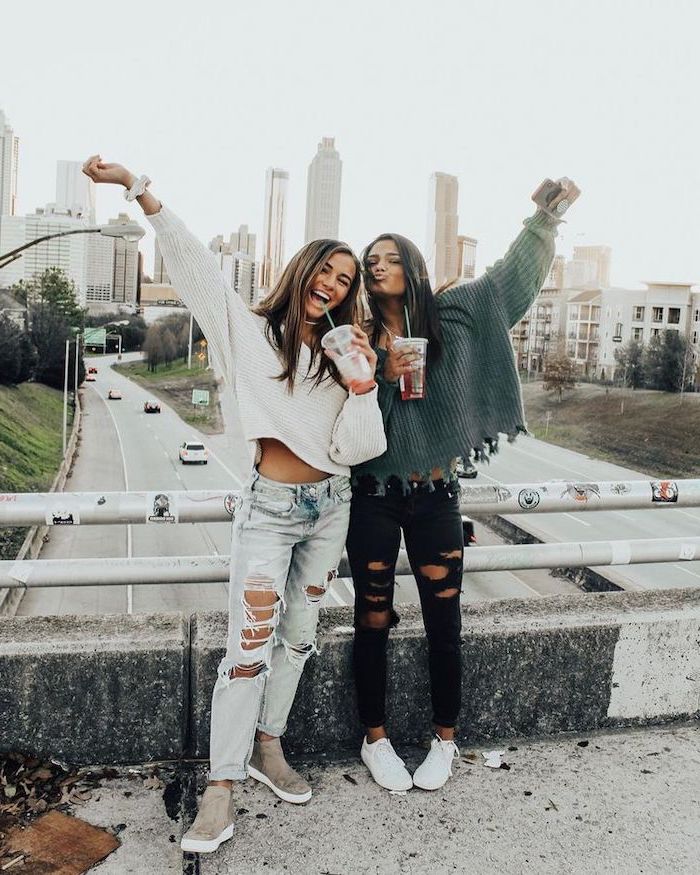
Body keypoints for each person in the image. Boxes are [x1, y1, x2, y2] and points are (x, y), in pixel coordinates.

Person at [83, 156, 387, 853]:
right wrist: (138, 189)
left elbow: (359, 449)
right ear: (302, 271)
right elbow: (192, 264)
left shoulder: (347, 354)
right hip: (272, 508)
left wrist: (364, 385)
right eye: (326, 271)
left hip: (330, 506)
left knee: (300, 636)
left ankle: (267, 746)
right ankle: (219, 789)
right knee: (247, 647)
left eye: (346, 281)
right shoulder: (248, 333)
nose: (333, 286)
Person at [346, 179, 578, 793]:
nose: (379, 266)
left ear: (414, 269)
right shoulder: (358, 341)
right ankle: (375, 740)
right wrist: (385, 379)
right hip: (371, 494)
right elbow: (356, 433)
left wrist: (544, 217)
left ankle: (445, 741)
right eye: (372, 262)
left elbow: (511, 280)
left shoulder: (456, 311)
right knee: (370, 617)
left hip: (436, 494)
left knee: (443, 619)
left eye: (392, 257)